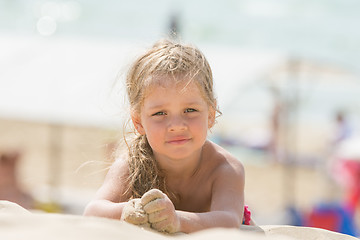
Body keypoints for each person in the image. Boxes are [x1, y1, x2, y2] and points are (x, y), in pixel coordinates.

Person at [84, 39, 252, 233]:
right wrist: (131, 209)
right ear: (138, 121)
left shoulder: (224, 168)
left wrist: (177, 220)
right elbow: (93, 210)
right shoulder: (130, 165)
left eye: (190, 110)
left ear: (211, 114)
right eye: (160, 113)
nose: (176, 126)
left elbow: (228, 220)